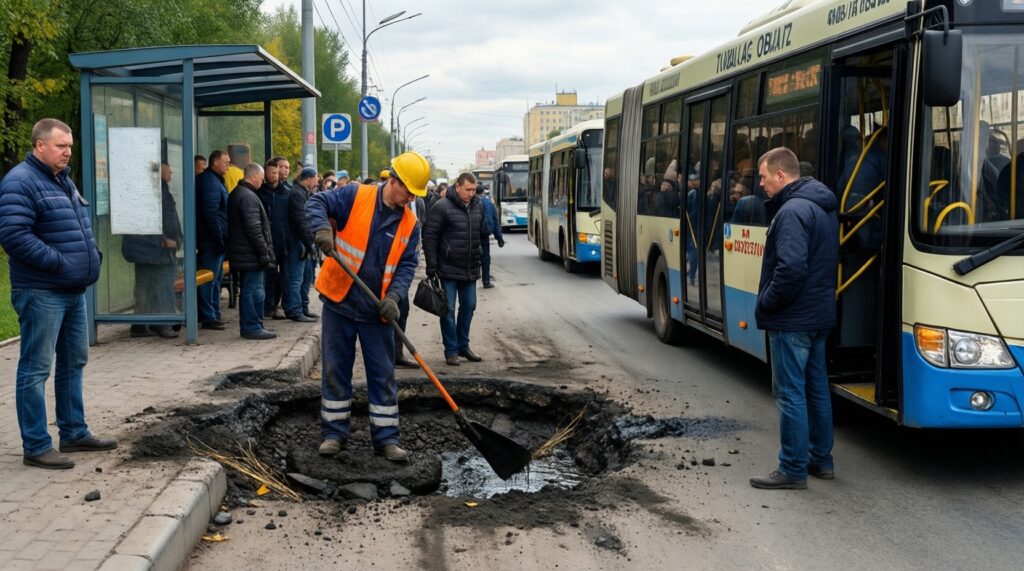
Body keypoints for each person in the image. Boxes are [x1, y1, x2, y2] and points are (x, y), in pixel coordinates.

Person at [0, 118, 117, 469]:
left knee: (74, 360)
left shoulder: (61, 180)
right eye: (60, 146)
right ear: (39, 146)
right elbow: (14, 236)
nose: (68, 152)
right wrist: (59, 264)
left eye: (69, 146)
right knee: (36, 368)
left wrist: (91, 257)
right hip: (41, 290)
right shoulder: (20, 182)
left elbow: (78, 226)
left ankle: (74, 432)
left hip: (71, 290)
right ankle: (36, 444)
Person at [307, 151, 428, 462]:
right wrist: (321, 229)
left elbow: (406, 265)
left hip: (377, 311)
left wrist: (394, 297)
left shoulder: (409, 223)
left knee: (382, 374)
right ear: (394, 180)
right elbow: (317, 202)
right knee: (336, 369)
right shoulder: (355, 195)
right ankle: (334, 433)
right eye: (408, 191)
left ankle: (386, 439)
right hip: (340, 301)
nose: (410, 199)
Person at [749, 147, 839, 490]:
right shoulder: (821, 205)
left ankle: (792, 468)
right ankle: (821, 460)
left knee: (790, 393)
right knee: (817, 389)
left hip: (792, 319)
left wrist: (767, 304)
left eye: (764, 176)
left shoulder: (790, 212)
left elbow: (790, 269)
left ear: (781, 176)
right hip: (818, 316)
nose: (760, 184)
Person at [423, 173, 485, 366]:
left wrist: (480, 254)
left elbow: (481, 233)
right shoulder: (441, 207)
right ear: (457, 187)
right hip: (447, 268)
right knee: (447, 310)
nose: (472, 194)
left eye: (474, 190)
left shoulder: (478, 205)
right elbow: (430, 236)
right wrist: (432, 265)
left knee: (469, 306)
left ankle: (463, 346)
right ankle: (451, 350)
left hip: (470, 267)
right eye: (468, 190)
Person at [122, 161, 183, 339]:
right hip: (156, 250)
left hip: (147, 250)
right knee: (162, 287)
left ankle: (140, 325)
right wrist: (163, 241)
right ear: (160, 174)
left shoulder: (149, 190)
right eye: (169, 173)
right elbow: (143, 222)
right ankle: (162, 324)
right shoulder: (154, 192)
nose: (171, 176)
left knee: (145, 287)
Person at [227, 163, 276, 340]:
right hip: (250, 255)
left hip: (245, 253)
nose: (262, 183)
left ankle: (255, 324)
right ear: (254, 176)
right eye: (262, 179)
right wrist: (264, 252)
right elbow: (254, 228)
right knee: (254, 291)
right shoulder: (247, 197)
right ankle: (252, 326)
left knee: (252, 290)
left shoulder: (241, 193)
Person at [196, 150, 230, 330]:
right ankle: (208, 315)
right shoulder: (210, 182)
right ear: (215, 162)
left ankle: (214, 313)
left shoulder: (215, 180)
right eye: (226, 162)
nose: (228, 165)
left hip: (214, 239)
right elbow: (210, 214)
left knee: (215, 279)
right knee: (209, 278)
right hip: (210, 241)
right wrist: (218, 239)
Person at [282, 168, 319, 322]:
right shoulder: (297, 193)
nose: (317, 182)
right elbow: (301, 221)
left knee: (305, 277)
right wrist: (309, 242)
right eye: (316, 178)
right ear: (308, 178)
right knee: (296, 279)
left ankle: (303, 307)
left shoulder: (303, 192)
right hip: (297, 242)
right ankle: (295, 310)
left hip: (302, 241)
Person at [477, 184, 505, 288]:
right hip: (484, 234)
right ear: (483, 192)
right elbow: (495, 221)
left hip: (471, 235)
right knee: (485, 258)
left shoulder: (470, 202)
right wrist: (499, 238)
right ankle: (486, 281)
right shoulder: (489, 203)